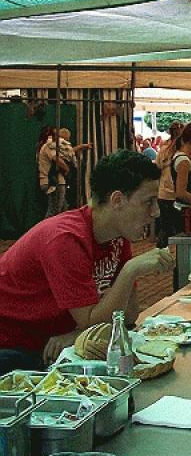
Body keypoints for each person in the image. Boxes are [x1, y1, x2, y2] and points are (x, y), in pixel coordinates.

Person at [0, 150, 174, 374]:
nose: (156, 212)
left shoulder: (117, 236)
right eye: (148, 202)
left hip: (51, 342)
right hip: (13, 347)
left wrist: (79, 334)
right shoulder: (65, 240)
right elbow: (94, 322)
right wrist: (130, 270)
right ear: (117, 200)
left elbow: (127, 316)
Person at [154, 120, 183, 248]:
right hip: (178, 194)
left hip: (164, 193)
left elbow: (157, 167)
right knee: (179, 229)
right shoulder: (183, 151)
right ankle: (179, 255)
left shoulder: (164, 150)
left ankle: (160, 252)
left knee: (165, 227)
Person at [38, 128, 77, 218]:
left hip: (53, 181)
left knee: (63, 211)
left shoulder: (48, 146)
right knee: (54, 212)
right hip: (55, 182)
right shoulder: (49, 146)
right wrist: (67, 169)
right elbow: (58, 160)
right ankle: (46, 227)